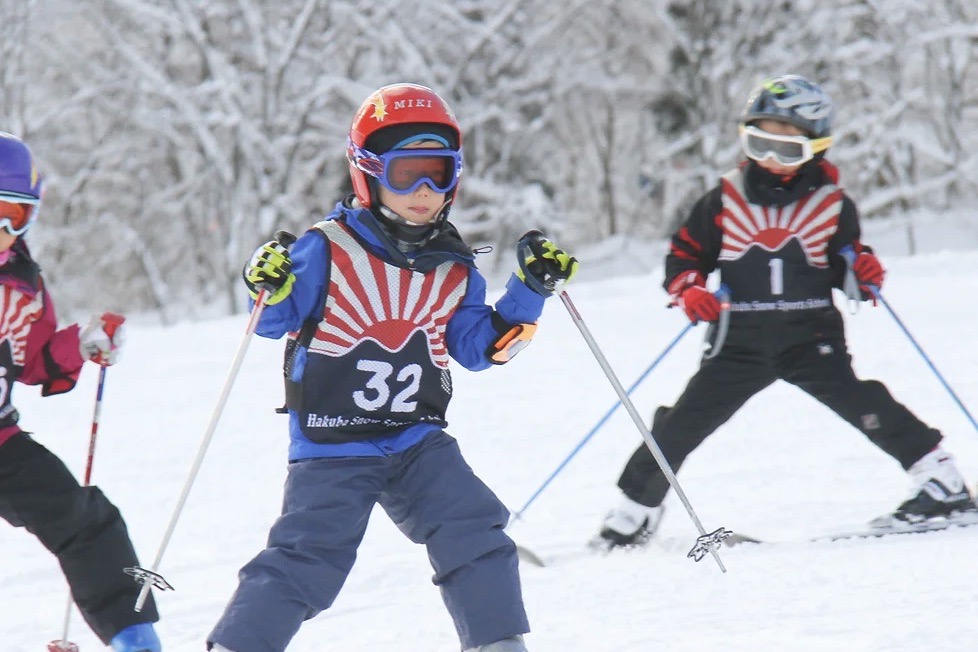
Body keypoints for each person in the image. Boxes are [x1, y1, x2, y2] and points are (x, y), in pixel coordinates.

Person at [206, 83, 578, 652]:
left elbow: (482, 349)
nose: (425, 192)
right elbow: (274, 321)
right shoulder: (326, 248)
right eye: (407, 175)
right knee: (308, 557)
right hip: (333, 442)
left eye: (440, 173)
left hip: (415, 438)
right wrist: (268, 284)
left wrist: (531, 290)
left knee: (473, 527)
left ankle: (498, 643)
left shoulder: (453, 268)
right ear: (368, 174)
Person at [591, 74, 977, 551]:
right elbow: (685, 256)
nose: (772, 161)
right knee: (683, 421)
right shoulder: (723, 200)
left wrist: (862, 271)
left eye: (787, 149)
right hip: (739, 341)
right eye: (760, 144)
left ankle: (943, 481)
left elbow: (845, 262)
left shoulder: (832, 204)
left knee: (865, 404)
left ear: (816, 147)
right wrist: (688, 289)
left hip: (811, 335)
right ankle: (636, 509)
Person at [0, 132, 162, 651]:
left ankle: (132, 638)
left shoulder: (20, 285)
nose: (2, 230)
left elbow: (34, 360)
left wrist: (83, 344)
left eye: (15, 215)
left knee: (87, 520)